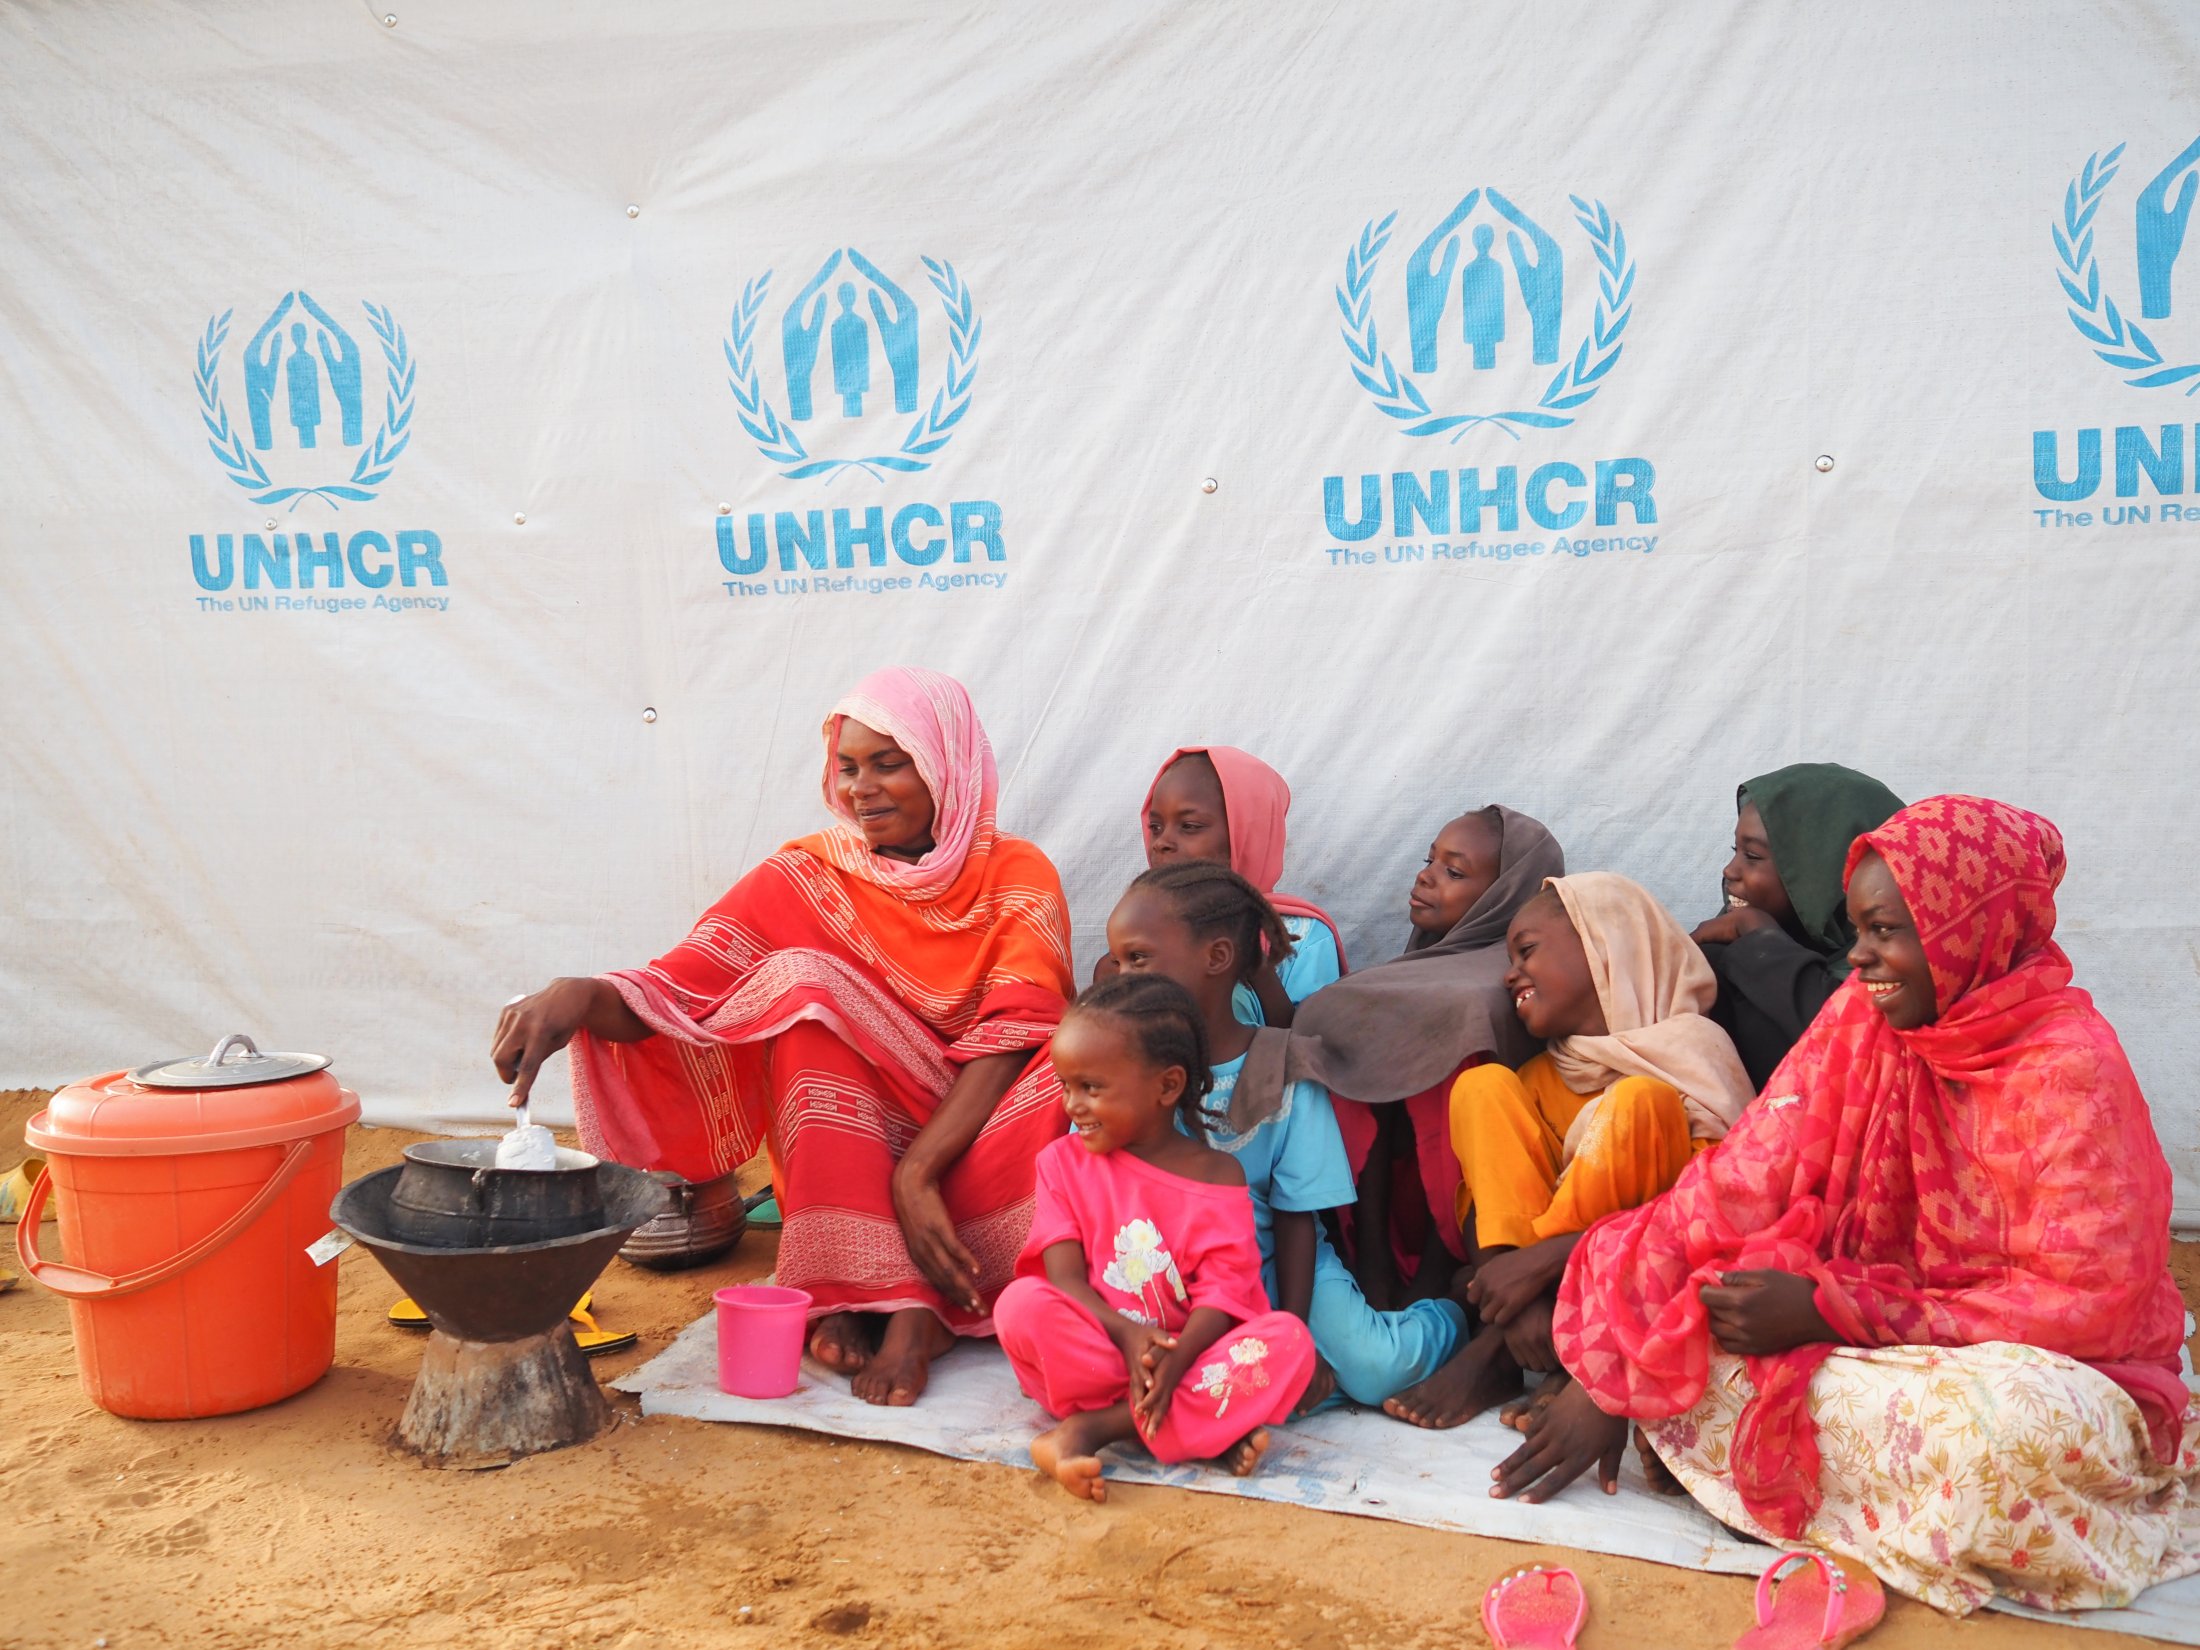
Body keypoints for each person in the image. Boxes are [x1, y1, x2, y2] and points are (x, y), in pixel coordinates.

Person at [1496, 797, 2200, 1617]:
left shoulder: (2070, 1070)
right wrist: (1616, 1362)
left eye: (1886, 932)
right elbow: (1738, 1185)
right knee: (1712, 1317)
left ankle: (1748, 1470)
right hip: (1888, 1331)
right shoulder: (1865, 1021)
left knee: (2008, 1437)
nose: (1860, 958)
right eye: (1859, 930)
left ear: (1963, 930)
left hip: (2040, 1361)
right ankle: (1868, 1507)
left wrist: (1833, 1309)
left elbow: (2088, 1306)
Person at [491, 667, 1074, 1406]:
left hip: (978, 1128)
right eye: (849, 767)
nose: (862, 788)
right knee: (804, 991)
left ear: (947, 765)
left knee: (1064, 1063)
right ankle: (869, 1289)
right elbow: (688, 987)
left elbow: (1014, 1031)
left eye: (890, 764)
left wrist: (919, 1170)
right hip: (866, 1129)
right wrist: (580, 996)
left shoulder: (1018, 875)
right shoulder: (808, 875)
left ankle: (914, 1316)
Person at [1386, 872, 1752, 1430]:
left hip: (1637, 1285)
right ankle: (1509, 1328)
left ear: (1605, 946)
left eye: (1526, 951)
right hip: (1520, 1298)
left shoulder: (1693, 1054)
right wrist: (1506, 1281)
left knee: (1638, 1102)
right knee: (1479, 1087)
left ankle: (1512, 1348)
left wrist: (1542, 1261)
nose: (1511, 974)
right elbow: (1489, 1198)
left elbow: (1706, 1213)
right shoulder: (1535, 1078)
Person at [1109, 861, 1466, 1408]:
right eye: (1119, 961)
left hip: (1282, 1260)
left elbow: (1298, 1220)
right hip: (1166, 1263)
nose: (1123, 977)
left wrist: (1288, 1341)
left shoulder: (1283, 1068)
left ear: (1217, 958)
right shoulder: (1122, 1067)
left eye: (1139, 958)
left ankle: (1454, 1319)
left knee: (1374, 1370)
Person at [996, 973, 1316, 1501]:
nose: (1072, 1105)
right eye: (1065, 1086)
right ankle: (1200, 1430)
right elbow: (1064, 1279)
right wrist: (1125, 1335)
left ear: (1167, 1086)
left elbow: (1224, 1294)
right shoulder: (1060, 1163)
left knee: (1290, 1342)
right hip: (1099, 1351)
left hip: (1187, 1356)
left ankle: (1093, 1429)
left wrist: (1179, 1358)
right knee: (1019, 1305)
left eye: (1091, 1088)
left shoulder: (1218, 1178)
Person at [1235, 807, 1563, 1314]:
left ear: (1504, 897)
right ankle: (1369, 1261)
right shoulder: (1416, 968)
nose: (1425, 876)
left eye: (1453, 872)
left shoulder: (1498, 984)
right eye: (1429, 859)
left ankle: (1434, 1272)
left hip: (1474, 1214)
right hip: (1381, 1203)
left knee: (1457, 1025)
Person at [1691, 763, 1904, 1089]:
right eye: (1736, 851)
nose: (1730, 870)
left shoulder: (1897, 969)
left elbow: (1845, 1038)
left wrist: (1762, 938)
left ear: (1823, 869)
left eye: (1752, 855)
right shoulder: (1722, 957)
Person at [1138, 746, 1345, 1027]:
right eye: (1156, 827)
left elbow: (1311, 1048)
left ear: (1248, 834)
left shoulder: (1303, 937)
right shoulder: (1142, 922)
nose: (1161, 842)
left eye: (1189, 826)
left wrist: (1257, 966)